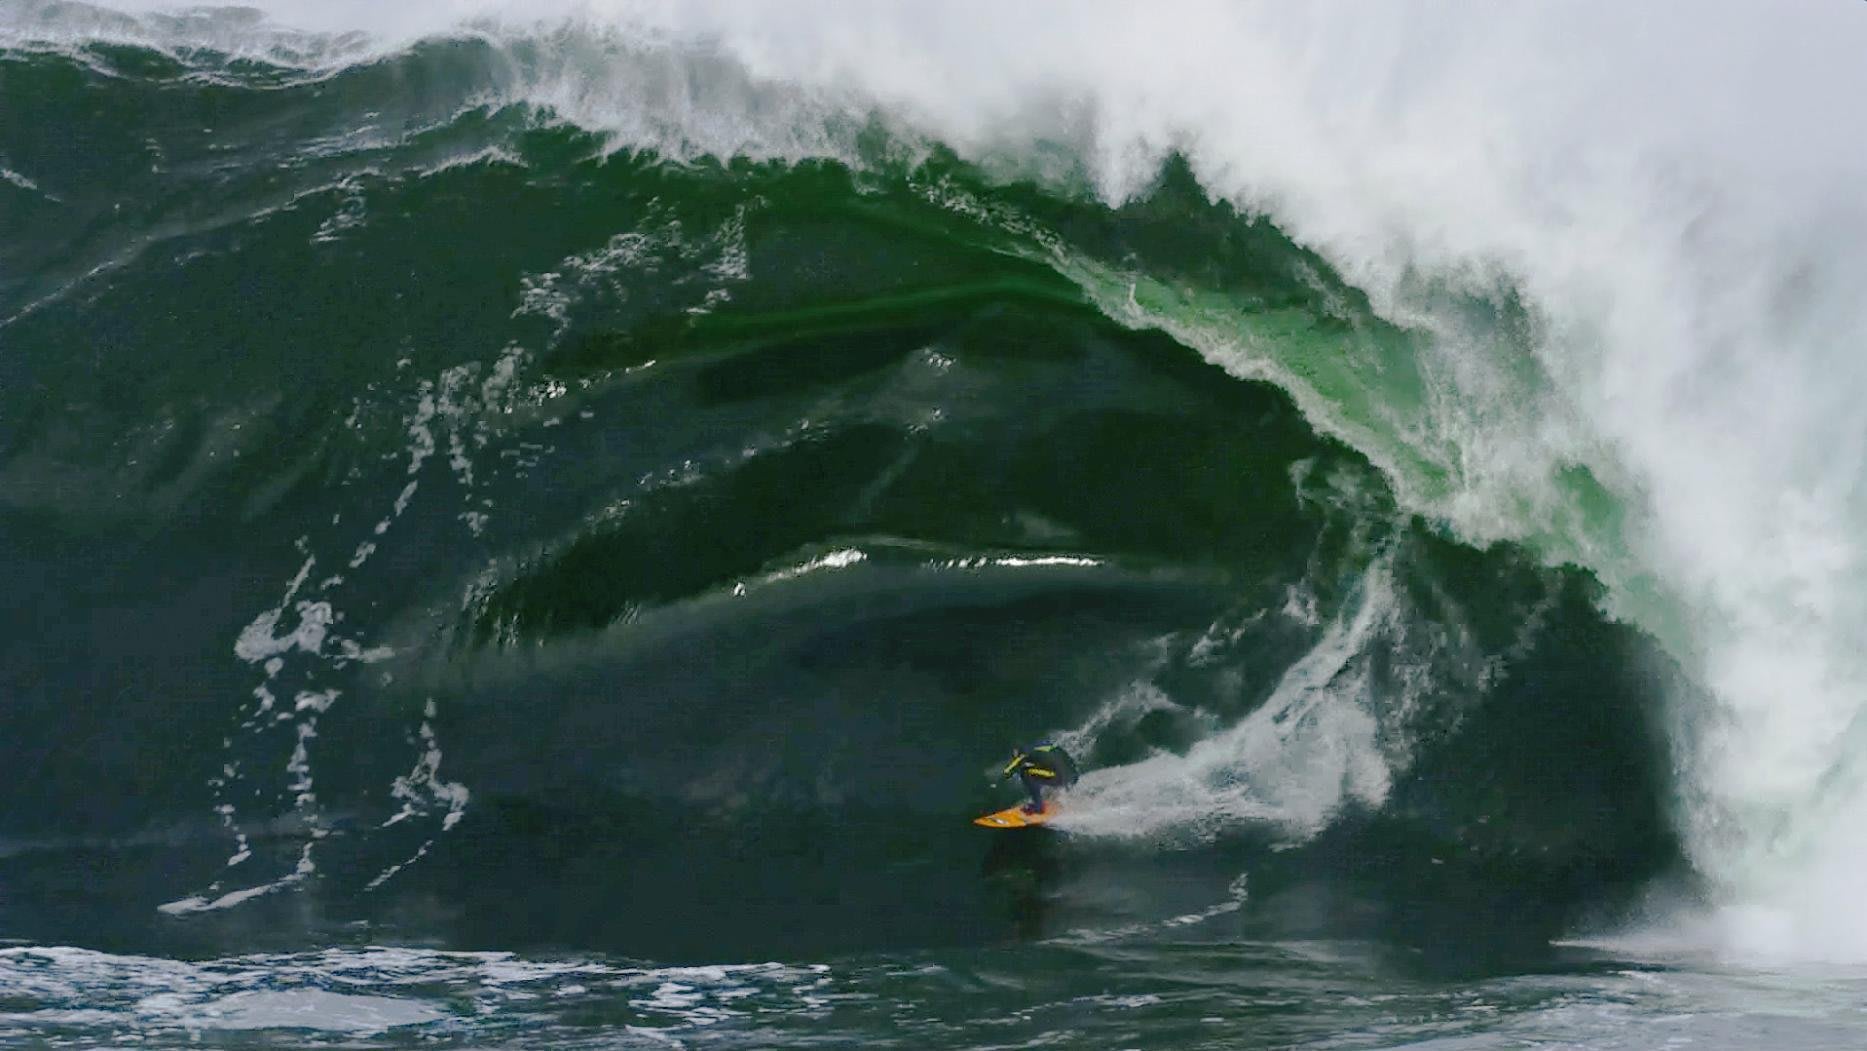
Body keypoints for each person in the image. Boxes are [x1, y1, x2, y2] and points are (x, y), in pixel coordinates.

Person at [1000, 741, 1079, 814]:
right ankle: (1060, 795)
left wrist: (1003, 777)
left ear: (1015, 751)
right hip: (1072, 776)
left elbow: (1008, 770)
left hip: (1058, 776)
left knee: (1026, 772)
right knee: (1040, 769)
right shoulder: (1042, 745)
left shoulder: (1023, 752)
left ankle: (1038, 807)